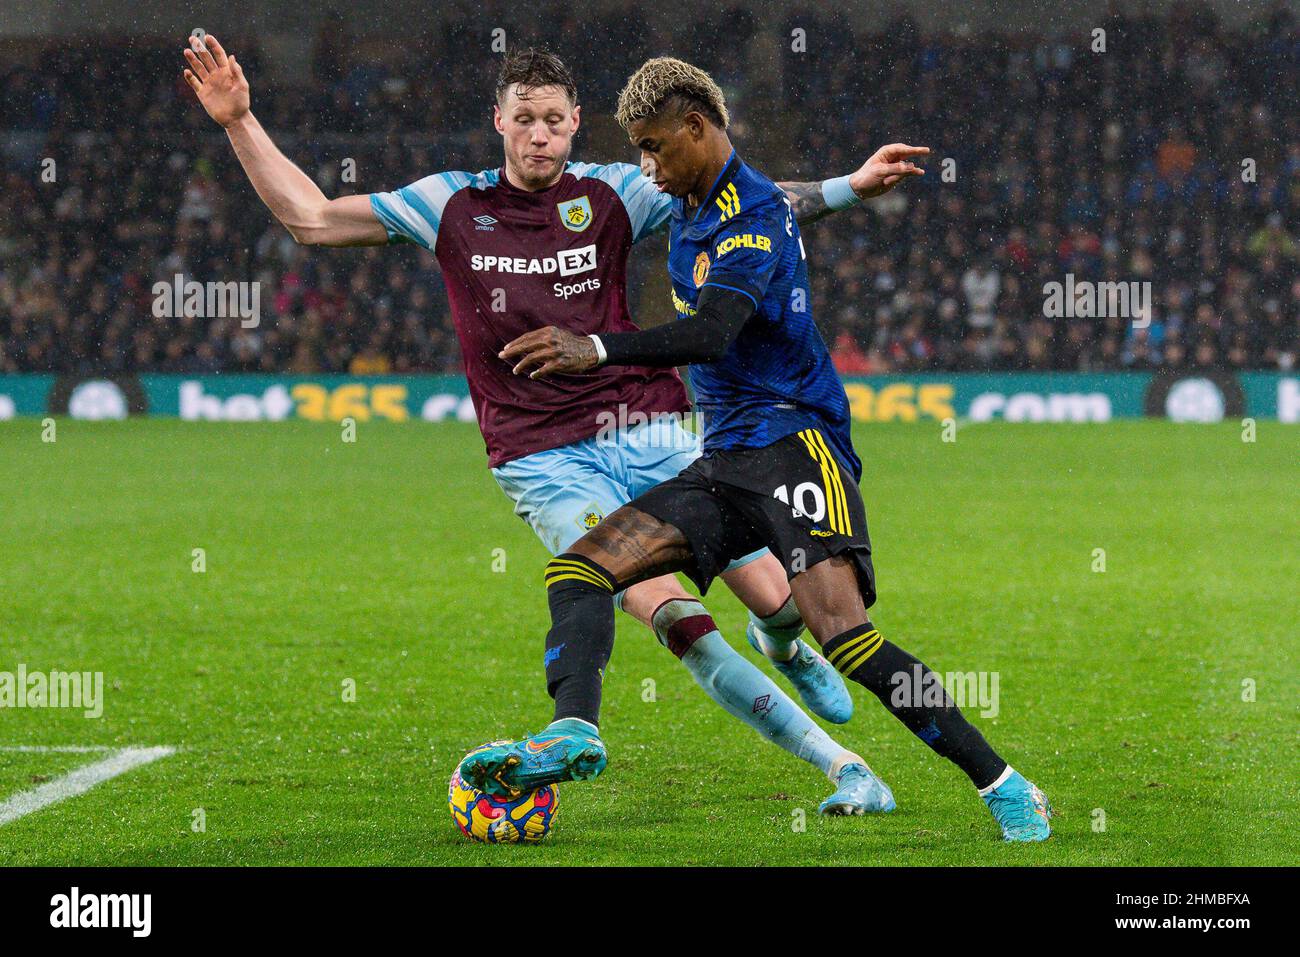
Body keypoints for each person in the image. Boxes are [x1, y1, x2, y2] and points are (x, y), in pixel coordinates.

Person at [183, 35, 913, 813]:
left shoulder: (615, 190)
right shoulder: (451, 203)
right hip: (544, 456)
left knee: (778, 597)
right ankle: (845, 768)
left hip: (651, 424)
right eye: (524, 117)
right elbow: (312, 218)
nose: (539, 134)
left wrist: (848, 186)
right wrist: (239, 122)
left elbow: (742, 199)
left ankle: (785, 640)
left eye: (555, 121)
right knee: (677, 617)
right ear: (498, 119)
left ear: (574, 128)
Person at [463, 57, 1052, 841]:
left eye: (653, 148)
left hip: (798, 448)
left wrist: (596, 349)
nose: (647, 167)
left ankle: (1004, 783)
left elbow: (712, 332)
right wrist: (849, 185)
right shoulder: (695, 201)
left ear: (695, 130)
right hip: (723, 459)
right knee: (581, 566)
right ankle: (574, 730)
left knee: (847, 638)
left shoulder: (748, 216)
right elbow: (796, 202)